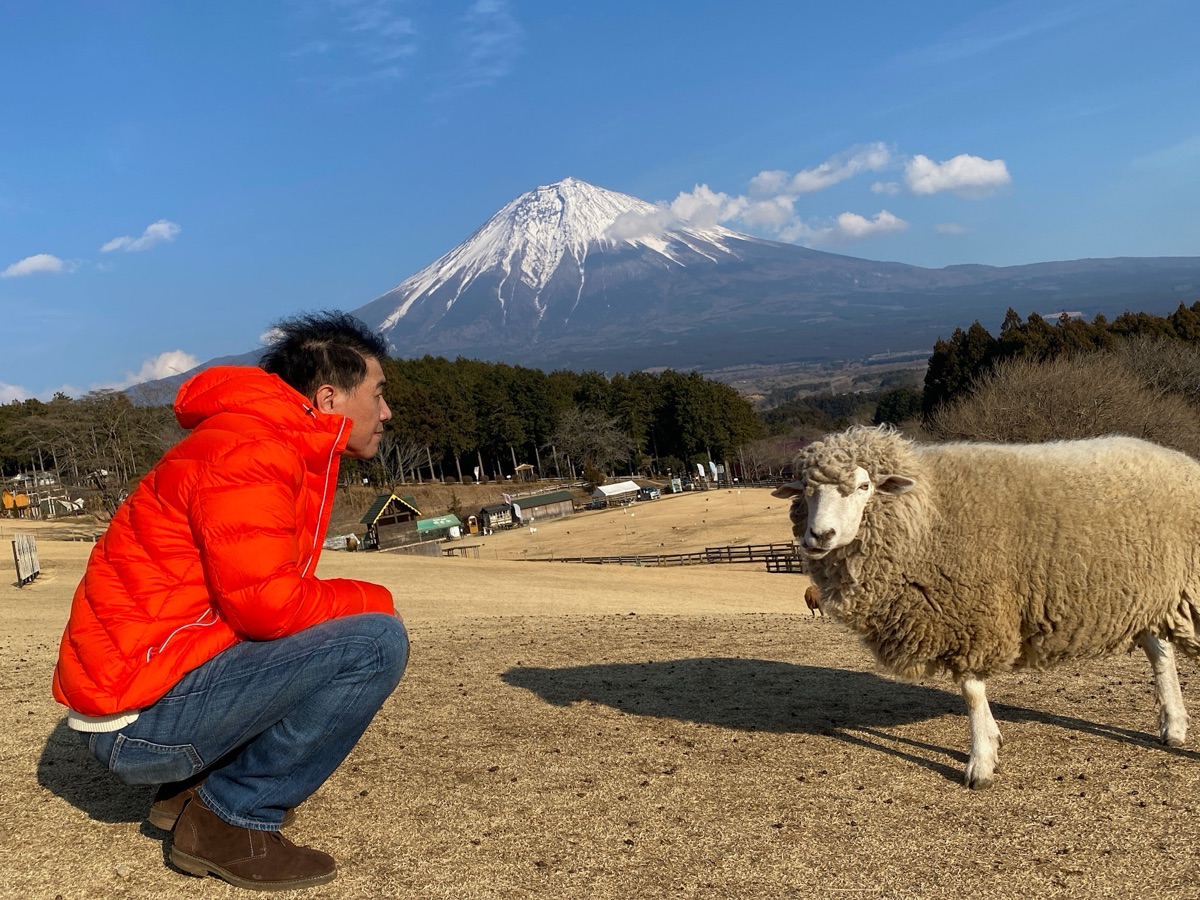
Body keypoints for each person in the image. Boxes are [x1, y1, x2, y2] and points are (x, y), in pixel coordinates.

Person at [52, 311, 409, 891]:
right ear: (329, 396)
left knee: (333, 629)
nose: (386, 412)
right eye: (378, 393)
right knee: (372, 641)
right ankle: (229, 818)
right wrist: (376, 597)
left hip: (146, 691)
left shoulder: (258, 437)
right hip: (136, 724)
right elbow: (266, 608)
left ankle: (191, 795)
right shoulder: (251, 452)